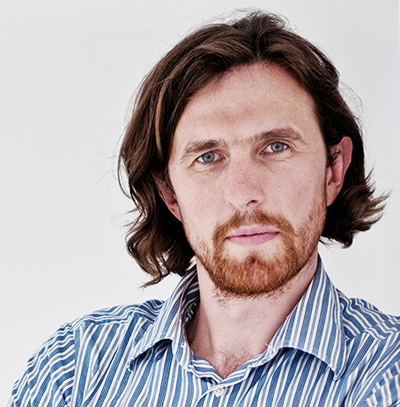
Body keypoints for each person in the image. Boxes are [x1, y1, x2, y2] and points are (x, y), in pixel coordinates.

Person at [8, 11, 400, 407]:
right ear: (169, 193)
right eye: (208, 157)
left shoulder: (388, 372)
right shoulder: (75, 367)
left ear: (334, 170)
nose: (243, 194)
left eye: (276, 147)